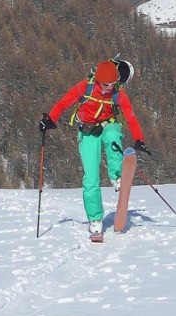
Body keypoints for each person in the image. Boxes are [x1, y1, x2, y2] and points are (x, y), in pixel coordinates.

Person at [39, 59, 151, 238]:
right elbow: (62, 104)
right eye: (107, 84)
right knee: (91, 178)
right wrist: (50, 120)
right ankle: (95, 219)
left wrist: (139, 139)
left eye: (114, 84)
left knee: (113, 136)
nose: (110, 88)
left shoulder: (117, 93)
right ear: (98, 80)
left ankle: (116, 176)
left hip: (108, 126)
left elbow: (130, 116)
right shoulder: (85, 87)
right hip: (88, 132)